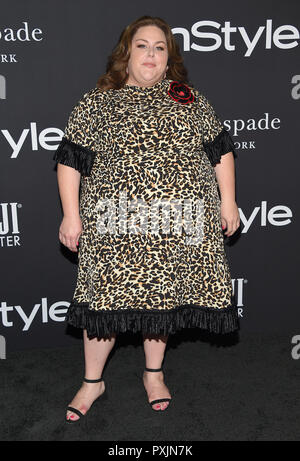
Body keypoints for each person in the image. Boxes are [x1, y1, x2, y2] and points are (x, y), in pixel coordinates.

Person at [53, 15, 240, 423]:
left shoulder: (187, 97)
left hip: (179, 223)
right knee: (104, 302)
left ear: (168, 56)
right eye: (143, 45)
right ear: (127, 52)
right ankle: (92, 382)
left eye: (160, 47)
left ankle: (153, 374)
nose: (151, 54)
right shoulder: (99, 100)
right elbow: (70, 160)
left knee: (161, 298)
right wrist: (71, 215)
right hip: (113, 224)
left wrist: (229, 203)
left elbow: (219, 150)